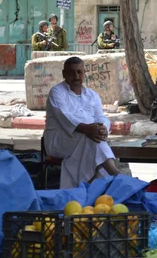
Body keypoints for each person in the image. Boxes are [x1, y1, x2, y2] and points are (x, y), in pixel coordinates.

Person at [44, 56, 119, 189]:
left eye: (79, 72)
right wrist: (86, 129)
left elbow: (100, 117)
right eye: (72, 72)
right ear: (64, 74)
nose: (76, 76)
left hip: (87, 137)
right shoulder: (56, 92)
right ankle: (116, 175)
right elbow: (64, 117)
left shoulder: (92, 95)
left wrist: (103, 128)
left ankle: (92, 187)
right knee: (90, 138)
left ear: (84, 73)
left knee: (94, 137)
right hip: (59, 141)